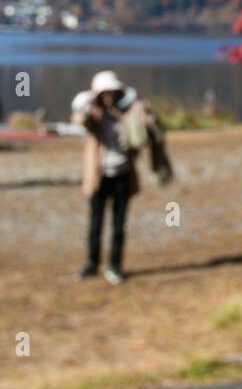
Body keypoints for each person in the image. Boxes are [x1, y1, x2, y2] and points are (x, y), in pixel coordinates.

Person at [71, 71, 173, 284]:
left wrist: (140, 107)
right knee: (95, 224)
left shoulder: (129, 113)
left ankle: (115, 266)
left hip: (122, 176)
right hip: (98, 177)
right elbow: (80, 119)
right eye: (104, 93)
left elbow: (152, 127)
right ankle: (92, 263)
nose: (108, 96)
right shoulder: (94, 114)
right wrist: (90, 101)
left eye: (112, 92)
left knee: (119, 225)